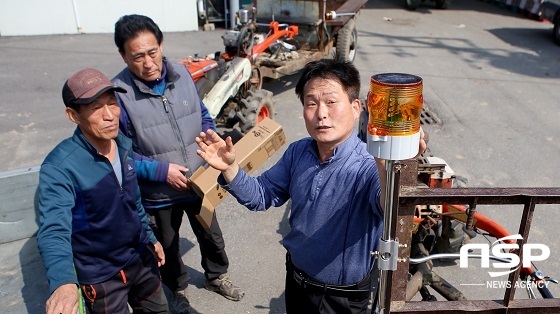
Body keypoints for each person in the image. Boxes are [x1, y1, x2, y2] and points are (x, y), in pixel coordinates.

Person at [195, 59, 427, 314]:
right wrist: (229, 168)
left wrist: (390, 163)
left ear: (356, 107)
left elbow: (388, 205)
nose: (321, 113)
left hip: (342, 299)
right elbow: (260, 196)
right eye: (311, 103)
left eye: (331, 102)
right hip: (296, 282)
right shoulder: (298, 153)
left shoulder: (368, 165)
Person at [111, 14, 244, 311]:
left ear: (160, 45)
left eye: (152, 52)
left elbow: (202, 114)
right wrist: (161, 171)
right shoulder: (118, 95)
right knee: (168, 248)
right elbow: (120, 152)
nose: (148, 63)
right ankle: (178, 290)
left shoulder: (182, 75)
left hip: (198, 181)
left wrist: (212, 137)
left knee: (212, 235)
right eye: (137, 57)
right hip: (158, 193)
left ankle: (216, 276)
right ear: (123, 55)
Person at [37, 68, 168, 314]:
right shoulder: (60, 167)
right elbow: (53, 229)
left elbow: (134, 202)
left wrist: (150, 238)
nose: (110, 116)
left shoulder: (123, 145)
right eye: (97, 108)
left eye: (112, 103)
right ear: (73, 115)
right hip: (102, 276)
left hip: (140, 259)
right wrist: (63, 282)